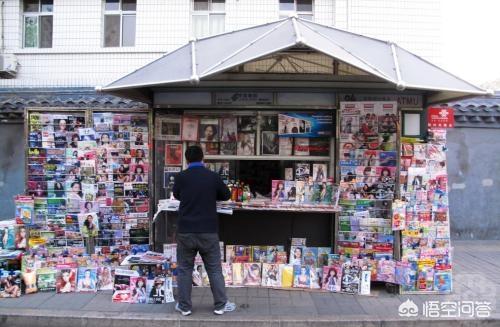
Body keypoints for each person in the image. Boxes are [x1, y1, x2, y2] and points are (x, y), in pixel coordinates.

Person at [172, 145, 235, 316]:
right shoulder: (212, 177)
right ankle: (220, 305)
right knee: (214, 269)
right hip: (208, 230)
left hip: (186, 231)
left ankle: (184, 307)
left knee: (185, 269)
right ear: (202, 159)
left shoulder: (181, 177)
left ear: (186, 160)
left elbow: (176, 194)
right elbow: (226, 194)